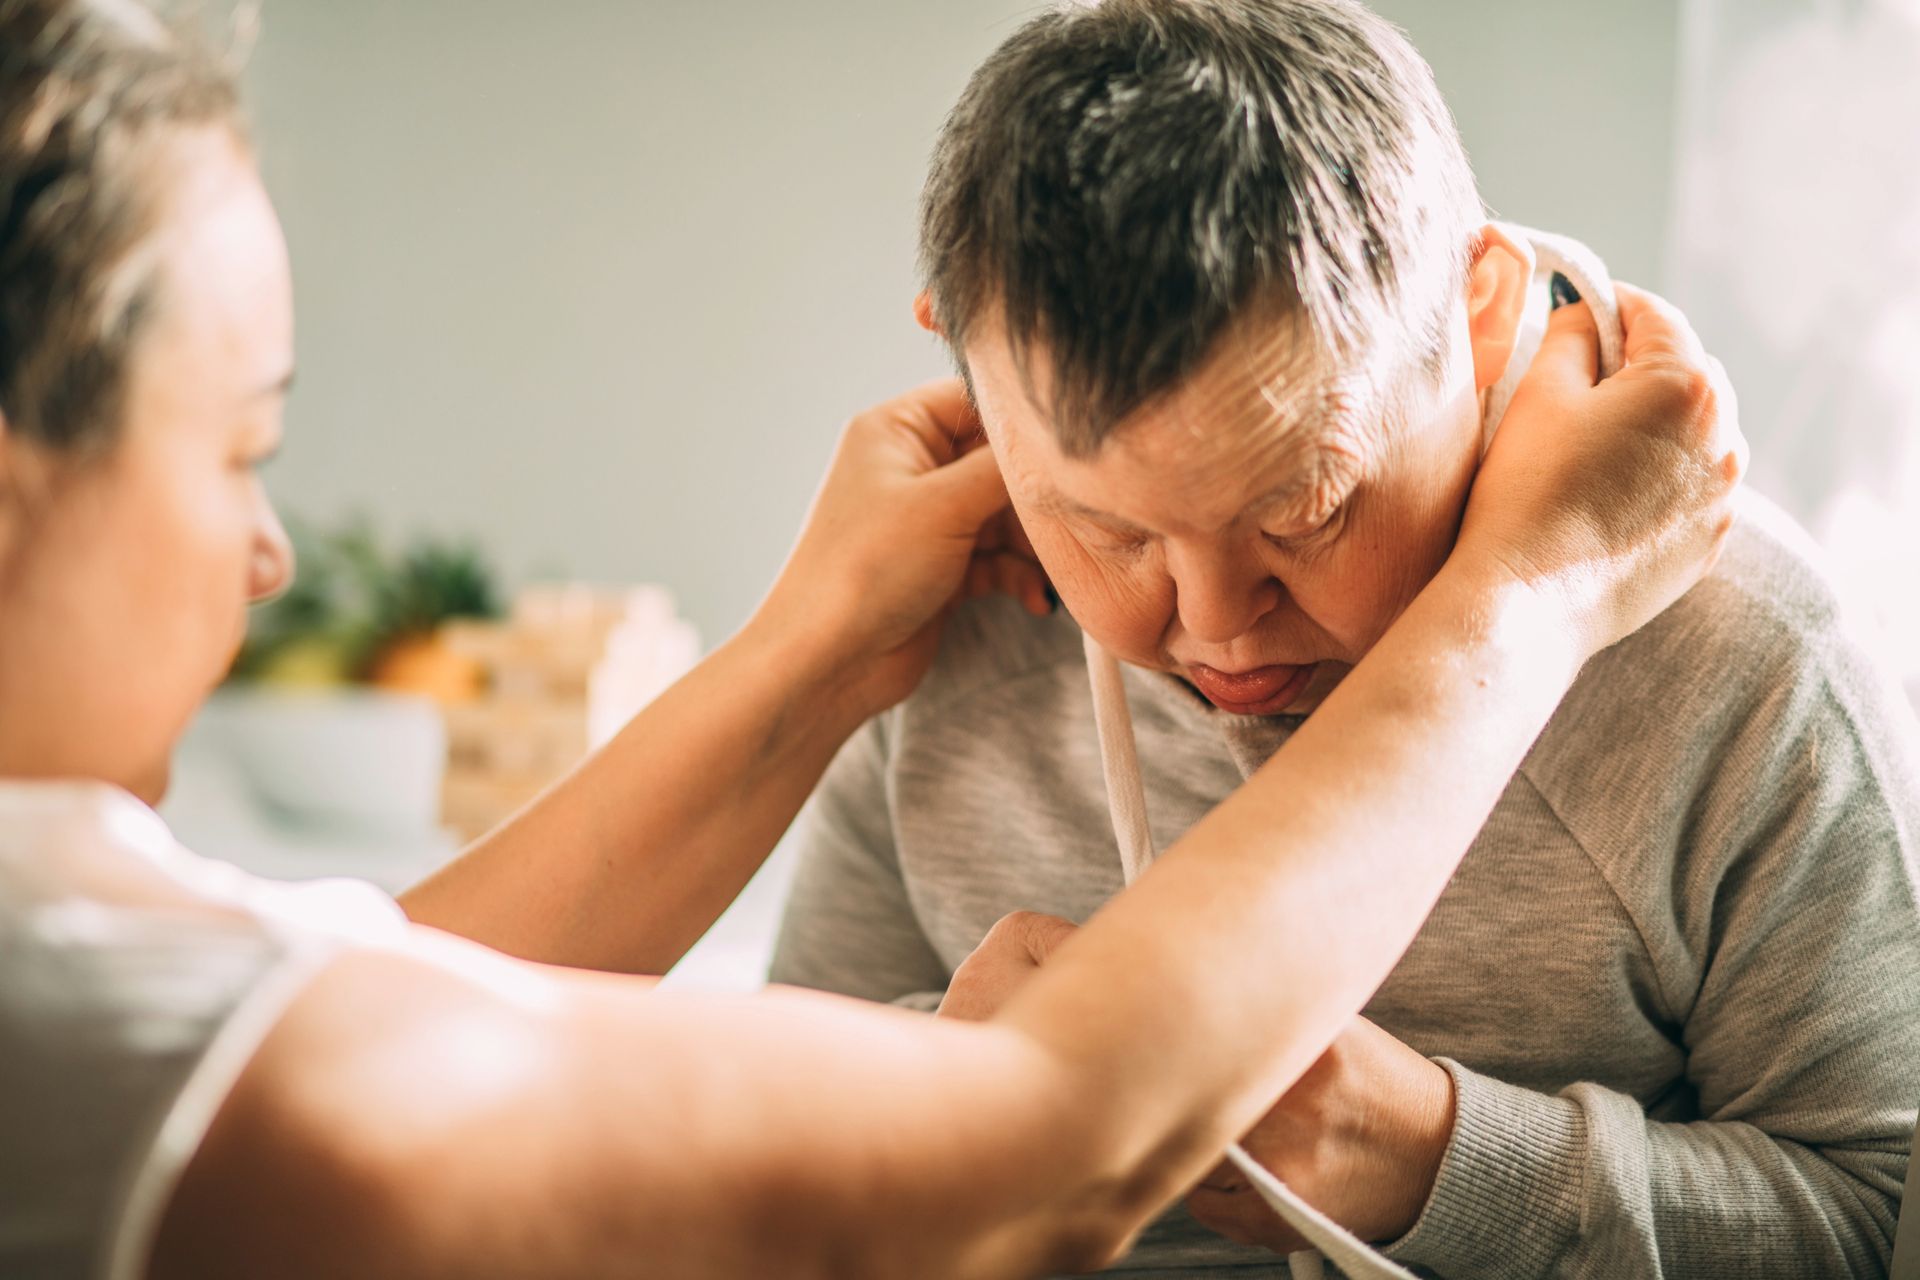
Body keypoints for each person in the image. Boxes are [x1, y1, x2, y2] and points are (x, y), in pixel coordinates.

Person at [0, 2, 1743, 1278]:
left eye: (1305, 510)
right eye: (241, 446)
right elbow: (1041, 1154)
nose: (271, 551)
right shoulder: (75, 1014)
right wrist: (1527, 599)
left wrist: (814, 655)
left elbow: (376, 981)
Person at [769, 1, 1920, 1276]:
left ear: (1480, 311)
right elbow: (753, 1174)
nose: (1213, 622)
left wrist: (1435, 1155)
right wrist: (939, 1089)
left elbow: (1877, 1218)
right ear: (969, 375)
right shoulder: (939, 638)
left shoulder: (1745, 661)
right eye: (1106, 528)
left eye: (1305, 511)